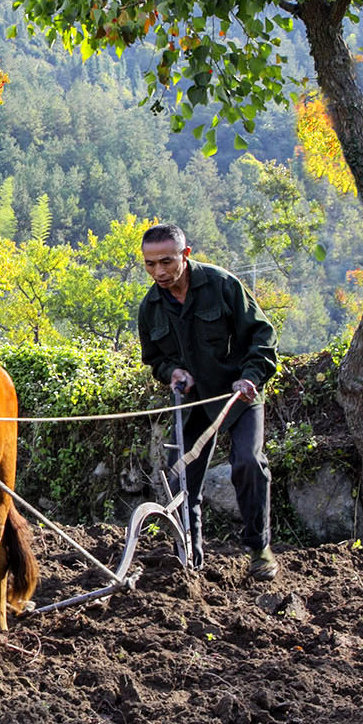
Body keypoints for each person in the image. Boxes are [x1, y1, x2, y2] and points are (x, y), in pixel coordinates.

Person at [135, 223, 279, 579]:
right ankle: (189, 558)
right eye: (150, 265)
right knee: (180, 477)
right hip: (193, 401)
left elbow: (262, 336)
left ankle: (259, 549)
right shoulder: (150, 308)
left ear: (185, 254)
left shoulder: (222, 285)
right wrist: (173, 373)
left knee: (247, 463)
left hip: (238, 396)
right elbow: (155, 358)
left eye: (166, 262)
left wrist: (250, 376)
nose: (159, 272)